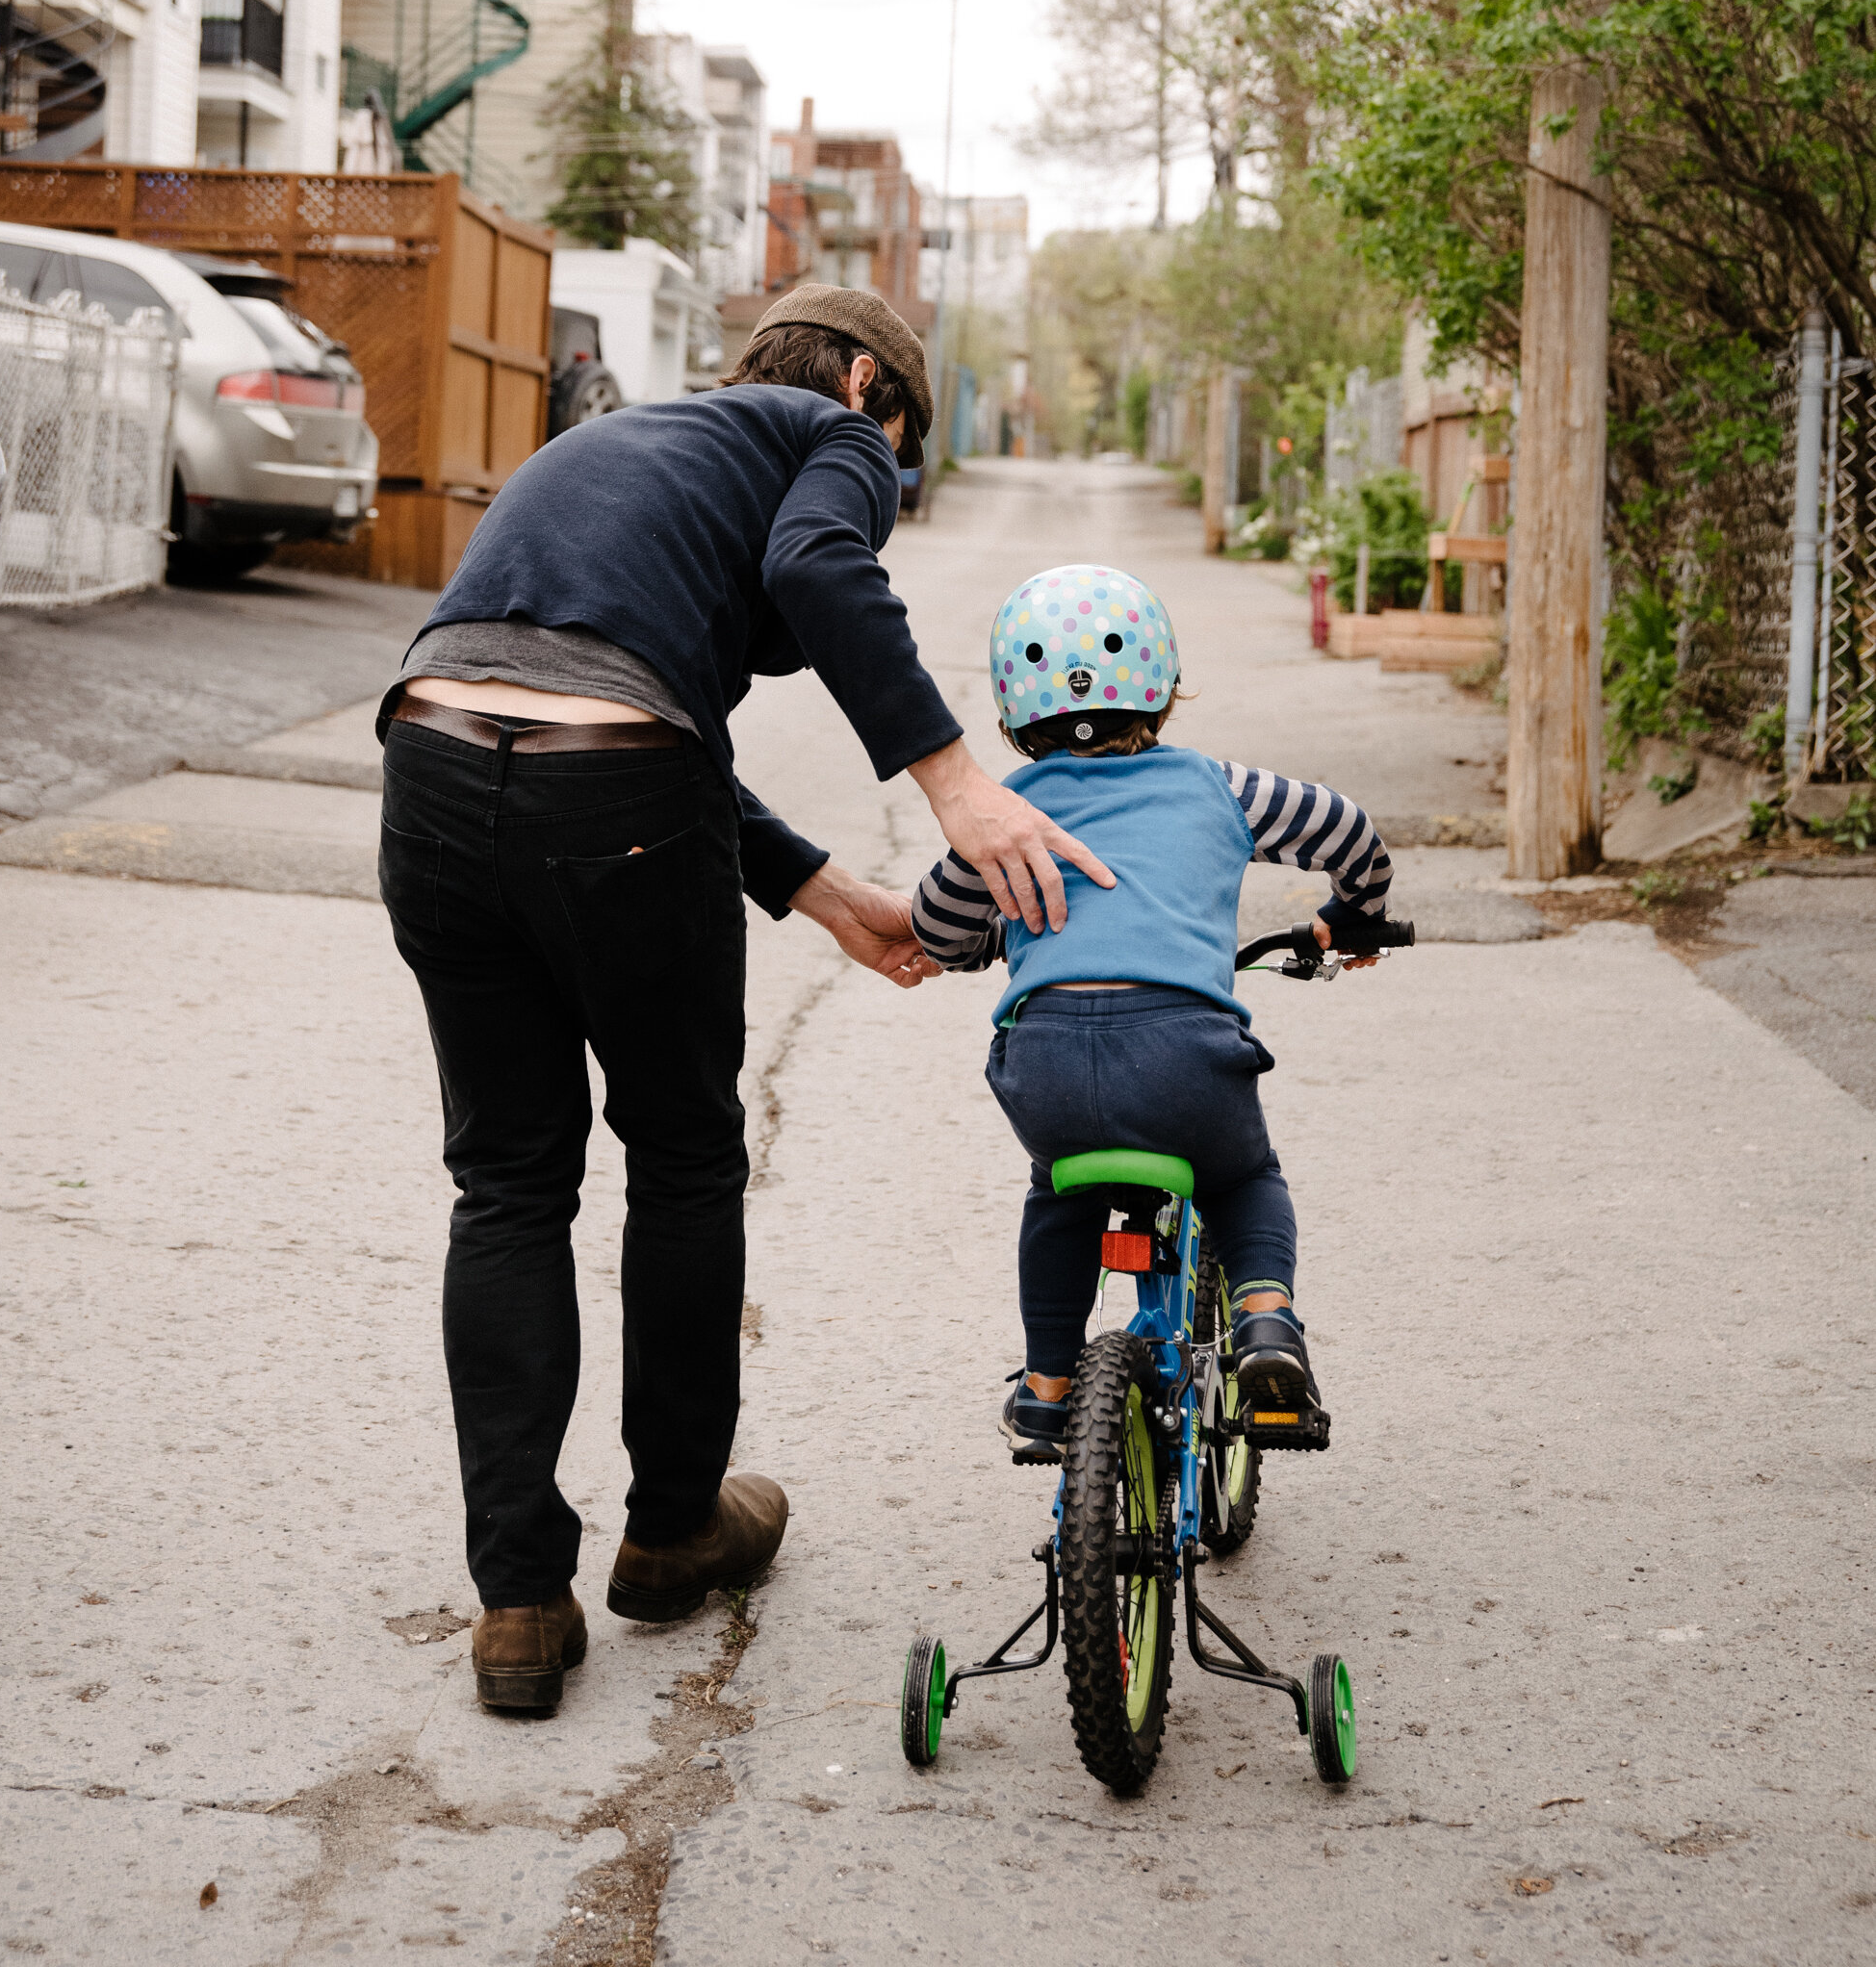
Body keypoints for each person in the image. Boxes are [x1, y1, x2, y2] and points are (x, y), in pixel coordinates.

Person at [374, 286, 1115, 1716]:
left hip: (434, 758)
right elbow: (819, 575)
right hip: (617, 783)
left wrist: (829, 893)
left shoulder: (624, 443)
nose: (887, 487)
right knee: (682, 1157)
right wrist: (960, 790)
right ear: (863, 386)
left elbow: (595, 693)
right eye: (898, 459)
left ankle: (518, 1603)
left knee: (509, 1185)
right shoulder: (826, 431)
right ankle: (669, 1531)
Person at [907, 562, 1391, 1462]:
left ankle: (1049, 1386)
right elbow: (1348, 830)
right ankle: (1265, 1321)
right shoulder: (1221, 787)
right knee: (1243, 1179)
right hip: (1186, 1056)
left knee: (1059, 1190)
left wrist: (976, 941)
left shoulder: (1002, 813)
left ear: (1013, 715)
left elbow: (937, 927)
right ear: (1162, 691)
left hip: (1044, 1064)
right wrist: (1351, 915)